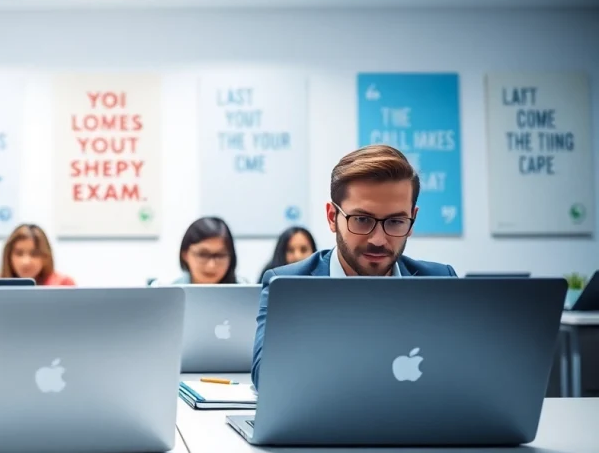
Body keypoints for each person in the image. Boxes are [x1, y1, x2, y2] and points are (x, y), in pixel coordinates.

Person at [251, 145, 457, 387]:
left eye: (395, 221)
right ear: (332, 217)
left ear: (412, 220)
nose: (378, 240)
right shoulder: (288, 285)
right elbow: (267, 375)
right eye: (361, 219)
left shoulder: (440, 281)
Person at [156, 216, 246, 285]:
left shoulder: (246, 293)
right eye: (203, 255)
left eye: (220, 255)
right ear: (185, 255)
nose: (211, 265)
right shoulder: (169, 292)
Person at [0, 223, 74, 286]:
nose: (26, 262)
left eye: (34, 254)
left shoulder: (63, 284)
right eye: (19, 253)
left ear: (45, 256)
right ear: (8, 256)